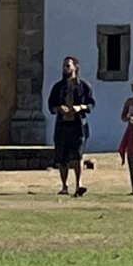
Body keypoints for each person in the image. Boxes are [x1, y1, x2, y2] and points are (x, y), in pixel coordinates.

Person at [47, 56, 95, 196]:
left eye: (68, 66)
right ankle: (64, 186)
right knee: (62, 158)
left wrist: (80, 107)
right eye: (64, 66)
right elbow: (51, 105)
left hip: (78, 125)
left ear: (75, 67)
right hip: (62, 125)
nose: (65, 68)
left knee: (78, 156)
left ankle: (79, 184)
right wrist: (59, 109)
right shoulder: (58, 87)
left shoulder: (84, 86)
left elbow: (91, 104)